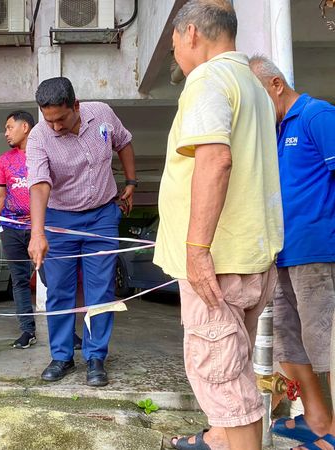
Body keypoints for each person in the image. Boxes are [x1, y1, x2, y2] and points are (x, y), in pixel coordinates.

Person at [152, 2, 284, 449]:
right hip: (247, 257)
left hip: (218, 263)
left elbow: (215, 159)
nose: (176, 54)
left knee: (225, 383)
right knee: (233, 369)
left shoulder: (209, 79)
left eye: (174, 43)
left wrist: (196, 248)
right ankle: (219, 440)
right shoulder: (252, 83)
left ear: (190, 33)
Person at [27, 76, 137, 387]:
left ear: (75, 105)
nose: (55, 126)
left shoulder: (101, 113)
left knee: (100, 291)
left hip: (102, 216)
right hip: (59, 221)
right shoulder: (39, 137)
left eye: (60, 119)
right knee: (59, 291)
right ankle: (62, 356)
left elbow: (123, 142)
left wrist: (131, 182)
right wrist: (38, 233)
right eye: (49, 120)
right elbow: (40, 184)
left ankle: (95, 357)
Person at [249, 55, 335, 450]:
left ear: (277, 85)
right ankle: (319, 421)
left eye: (258, 99)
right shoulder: (277, 132)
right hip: (283, 253)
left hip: (318, 251)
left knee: (327, 342)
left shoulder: (318, 115)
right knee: (287, 340)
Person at [0, 111, 39, 349]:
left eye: (9, 127)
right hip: (11, 228)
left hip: (40, 228)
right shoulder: (4, 160)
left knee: (54, 279)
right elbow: (0, 195)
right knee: (19, 281)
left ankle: (67, 333)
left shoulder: (42, 155)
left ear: (25, 127)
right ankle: (27, 331)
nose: (5, 133)